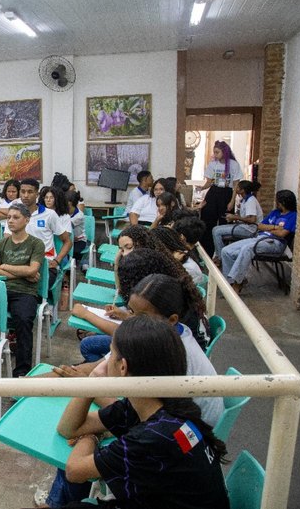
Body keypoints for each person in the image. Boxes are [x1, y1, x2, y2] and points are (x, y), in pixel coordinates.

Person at [50, 315, 228, 509]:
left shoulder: (153, 436)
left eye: (110, 354)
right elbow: (67, 428)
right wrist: (93, 383)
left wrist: (91, 437)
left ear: (123, 366)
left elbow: (74, 471)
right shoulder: (156, 405)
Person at [73, 248, 211, 360]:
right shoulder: (167, 291)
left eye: (127, 247)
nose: (123, 253)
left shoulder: (165, 342)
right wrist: (125, 315)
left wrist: (86, 314)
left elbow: (129, 333)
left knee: (90, 345)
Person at [0, 203, 43, 377]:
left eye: (16, 217)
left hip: (25, 292)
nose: (10, 221)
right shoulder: (1, 244)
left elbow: (32, 270)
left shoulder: (36, 243)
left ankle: (22, 373)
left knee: (24, 320)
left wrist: (5, 266)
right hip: (1, 289)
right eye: (9, 217)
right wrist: (23, 271)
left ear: (26, 220)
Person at [221, 189, 297, 294]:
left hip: (275, 243)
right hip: (259, 238)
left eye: (278, 201)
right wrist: (275, 227)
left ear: (283, 202)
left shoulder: (293, 216)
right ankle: (230, 282)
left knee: (247, 249)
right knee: (226, 250)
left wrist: (269, 229)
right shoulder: (275, 212)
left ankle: (237, 283)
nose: (276, 203)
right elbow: (260, 226)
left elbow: (282, 234)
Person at [9, 179, 68, 289]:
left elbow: (67, 241)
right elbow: (7, 242)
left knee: (32, 289)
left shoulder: (49, 215)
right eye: (23, 191)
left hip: (44, 265)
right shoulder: (14, 214)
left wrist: (57, 260)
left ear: (37, 194)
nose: (26, 195)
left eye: (30, 192)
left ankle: (44, 305)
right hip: (19, 264)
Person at [199, 140, 243, 254]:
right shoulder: (213, 164)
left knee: (225, 221)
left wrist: (232, 201)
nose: (215, 154)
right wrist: (201, 188)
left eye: (217, 152)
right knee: (207, 221)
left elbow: (235, 185)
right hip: (214, 192)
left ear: (224, 152)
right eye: (214, 152)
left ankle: (223, 253)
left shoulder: (234, 164)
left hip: (227, 193)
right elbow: (209, 182)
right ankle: (207, 251)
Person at [211, 180, 263, 261]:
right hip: (244, 226)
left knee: (217, 231)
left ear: (242, 190)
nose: (235, 189)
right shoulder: (245, 199)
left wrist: (235, 217)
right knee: (216, 229)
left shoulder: (250, 201)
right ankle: (220, 255)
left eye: (237, 187)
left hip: (250, 230)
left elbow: (252, 219)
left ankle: (221, 258)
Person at [66, 190, 89, 271]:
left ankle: (80, 264)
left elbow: (66, 227)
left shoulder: (79, 215)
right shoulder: (64, 212)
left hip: (79, 240)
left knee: (69, 251)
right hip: (68, 239)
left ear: (71, 204)